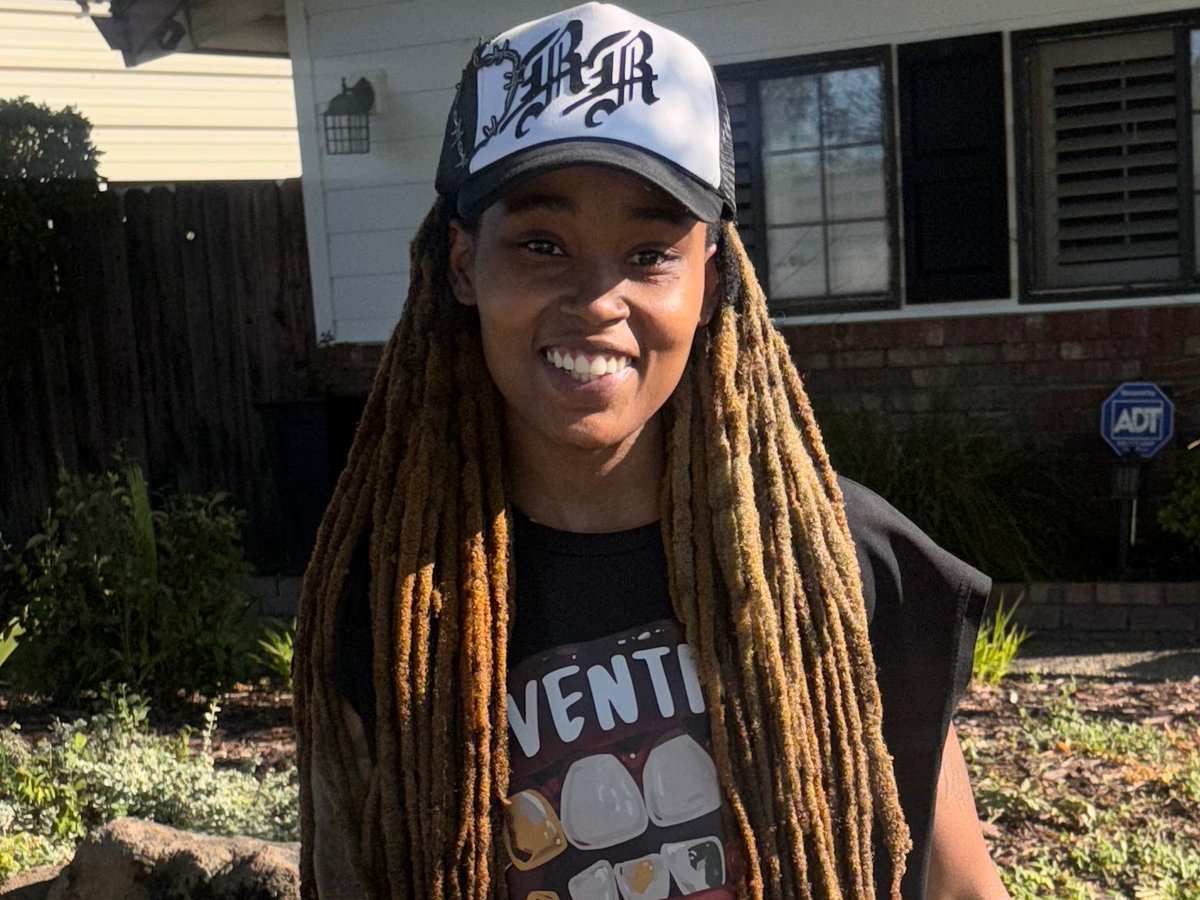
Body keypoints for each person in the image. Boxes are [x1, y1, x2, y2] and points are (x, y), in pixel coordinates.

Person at [294, 5, 1012, 900]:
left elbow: (960, 888)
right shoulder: (388, 600)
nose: (598, 299)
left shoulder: (845, 565)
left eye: (648, 253)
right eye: (542, 244)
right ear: (463, 263)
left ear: (710, 281)